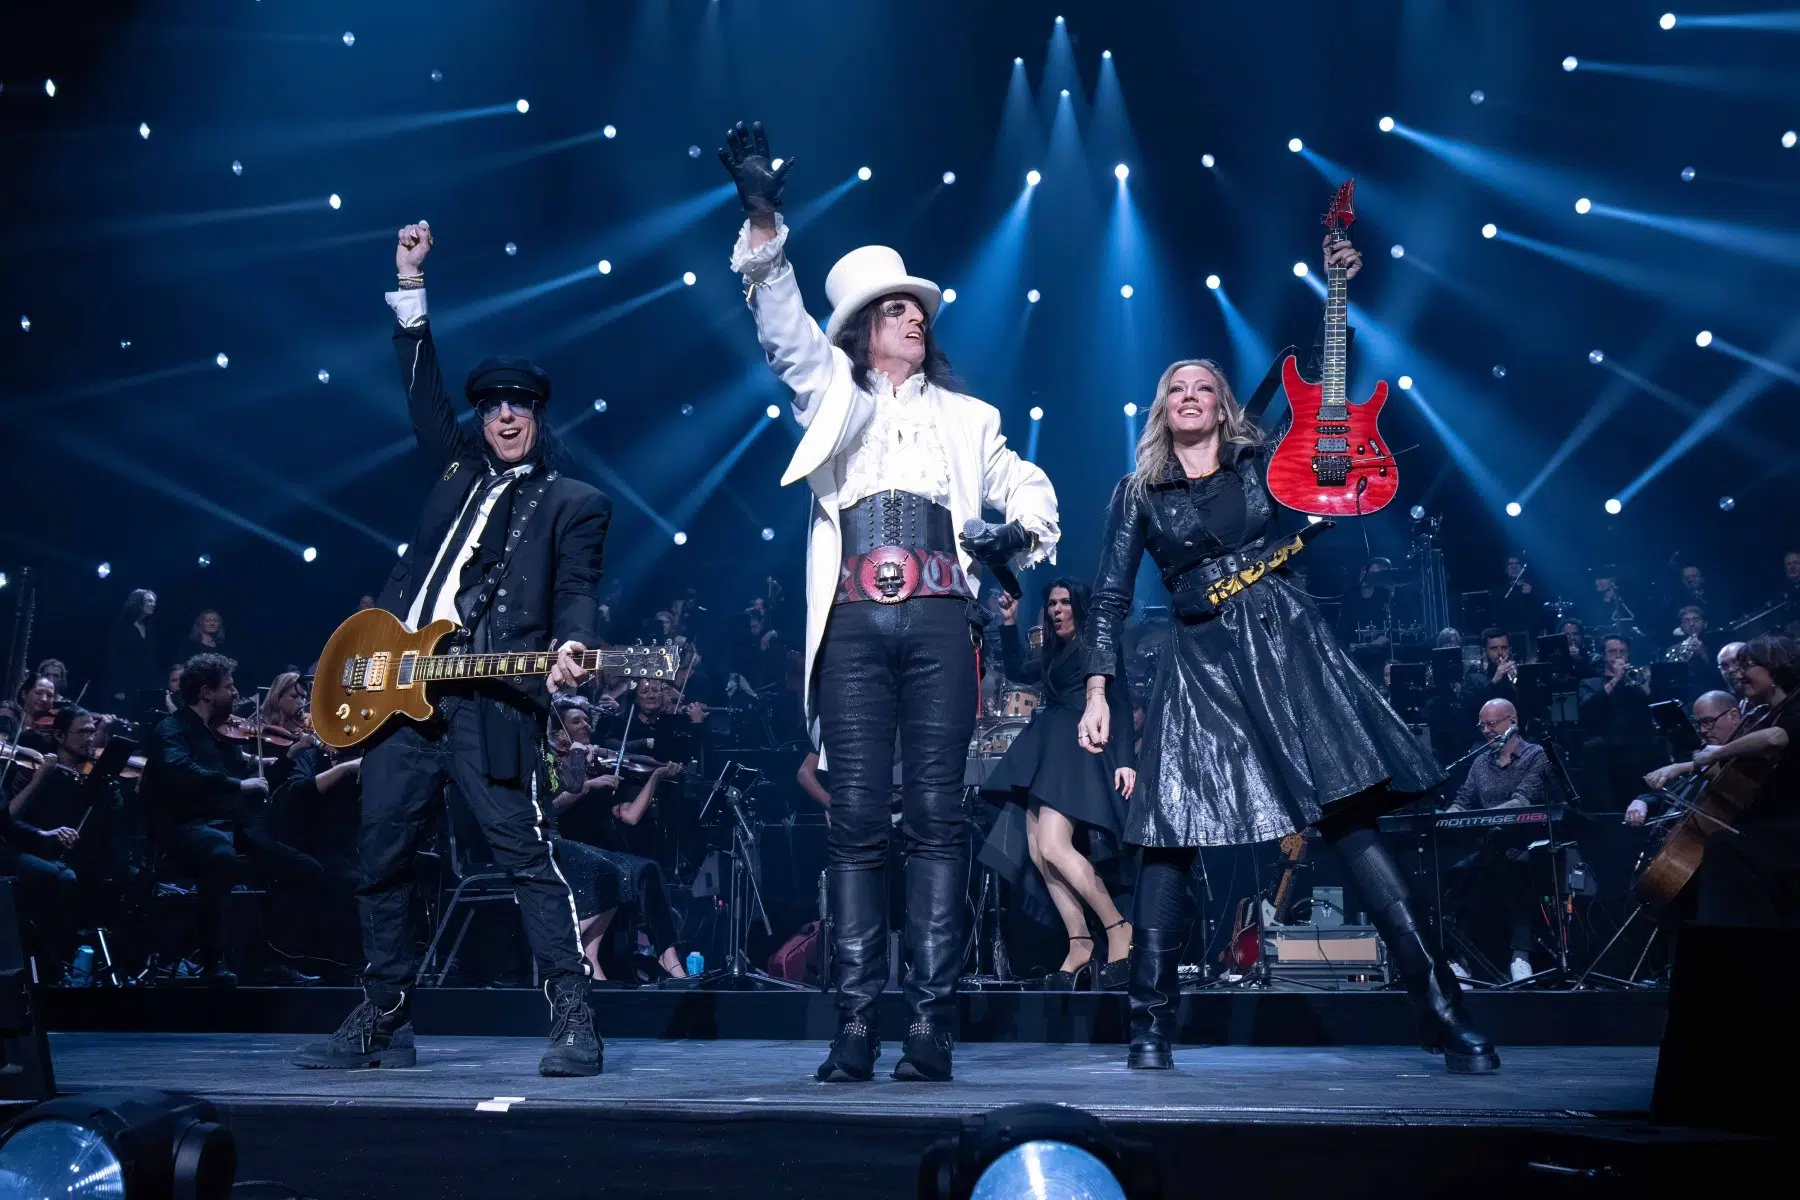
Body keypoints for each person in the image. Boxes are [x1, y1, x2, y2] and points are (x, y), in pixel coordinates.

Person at [721, 119, 1060, 1083]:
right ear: (866, 330)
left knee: (938, 818)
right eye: (898, 309)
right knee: (857, 819)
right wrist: (762, 213)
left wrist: (1018, 535)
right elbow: (780, 320)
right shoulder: (831, 391)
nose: (916, 317)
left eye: (919, 309)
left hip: (944, 618)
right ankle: (856, 1022)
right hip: (858, 626)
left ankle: (930, 1025)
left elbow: (1025, 486)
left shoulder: (970, 416)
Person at [1079, 303, 1497, 1073]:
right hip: (1196, 658)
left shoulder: (1262, 464)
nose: (1192, 397)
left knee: (1348, 817)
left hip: (1283, 644)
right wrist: (1099, 686)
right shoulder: (1137, 492)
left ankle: (1443, 1013)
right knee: (1168, 836)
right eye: (1178, 390)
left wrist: (1335, 282)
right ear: (1162, 411)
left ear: (1224, 404)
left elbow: (1333, 444)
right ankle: (1148, 1027)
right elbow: (1107, 594)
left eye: (1204, 387)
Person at [292, 221, 611, 1078]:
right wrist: (409, 282)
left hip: (491, 694)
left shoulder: (573, 502)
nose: (506, 415)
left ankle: (575, 1017)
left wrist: (575, 643)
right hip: (401, 685)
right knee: (383, 851)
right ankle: (384, 1015)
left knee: (523, 853)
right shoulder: (454, 469)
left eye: (522, 405)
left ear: (539, 417)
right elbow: (419, 389)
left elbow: (577, 588)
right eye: (493, 404)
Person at [979, 580, 1135, 990]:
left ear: (1079, 607)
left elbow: (1118, 702)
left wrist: (1126, 762)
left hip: (1077, 748)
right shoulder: (1053, 652)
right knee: (1038, 853)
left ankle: (1118, 928)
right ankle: (1079, 941)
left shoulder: (1095, 647)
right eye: (1051, 604)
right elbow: (1015, 671)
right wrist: (1009, 622)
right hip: (1046, 747)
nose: (1057, 610)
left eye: (1065, 603)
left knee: (1052, 845)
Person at [141, 653, 323, 985]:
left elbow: (249, 769)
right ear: (207, 692)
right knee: (220, 858)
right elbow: (181, 771)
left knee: (305, 869)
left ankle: (269, 958)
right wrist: (238, 784)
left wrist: (285, 759)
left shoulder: (222, 733)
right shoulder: (171, 729)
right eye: (228, 686)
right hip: (187, 828)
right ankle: (214, 961)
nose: (236, 693)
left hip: (233, 829)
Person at [1642, 638, 1798, 925]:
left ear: (1774, 669)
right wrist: (1682, 766)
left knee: (1721, 847)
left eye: (1747, 666)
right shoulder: (1766, 713)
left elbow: (1776, 738)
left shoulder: (1794, 707)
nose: (1738, 675)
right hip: (1769, 822)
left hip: (1790, 827)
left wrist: (1718, 753)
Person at [1444, 699, 1558, 983]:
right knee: (1453, 875)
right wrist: (1447, 817)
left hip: (1527, 843)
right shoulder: (1480, 761)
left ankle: (1521, 957)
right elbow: (1463, 800)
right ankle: (1459, 961)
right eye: (1482, 724)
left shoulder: (1536, 755)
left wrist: (1481, 817)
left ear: (1512, 722)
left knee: (1517, 870)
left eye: (1491, 724)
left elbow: (1522, 800)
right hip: (1489, 845)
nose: (1486, 730)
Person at [1628, 690, 1742, 828]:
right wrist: (1643, 801)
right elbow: (1674, 792)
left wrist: (1681, 767)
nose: (1703, 730)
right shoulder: (1702, 754)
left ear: (1734, 717)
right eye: (1697, 723)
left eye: (1708, 722)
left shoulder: (1746, 756)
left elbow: (1730, 770)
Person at [1578, 636, 1658, 811]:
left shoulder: (1635, 680)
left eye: (1622, 652)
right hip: (1606, 743)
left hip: (1636, 742)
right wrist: (1615, 679)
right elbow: (1587, 709)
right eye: (1612, 652)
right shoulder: (1590, 683)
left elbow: (1650, 704)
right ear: (1603, 655)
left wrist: (1646, 686)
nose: (1618, 656)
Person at [103, 589, 160, 708]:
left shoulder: (149, 627)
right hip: (125, 684)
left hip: (144, 683)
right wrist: (118, 687)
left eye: (154, 601)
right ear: (138, 602)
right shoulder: (121, 626)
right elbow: (114, 657)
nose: (153, 604)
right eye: (149, 601)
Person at [1494, 554, 1542, 638]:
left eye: (1517, 563)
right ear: (1505, 569)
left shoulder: (1532, 586)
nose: (1514, 566)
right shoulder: (1499, 589)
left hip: (1530, 633)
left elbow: (1539, 611)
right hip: (1507, 633)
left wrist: (1530, 596)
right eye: (1510, 564)